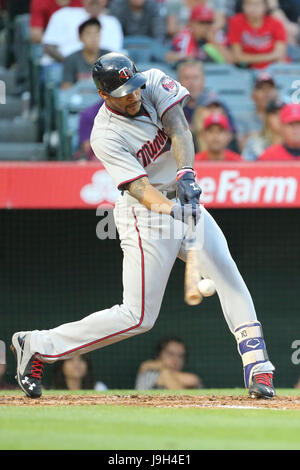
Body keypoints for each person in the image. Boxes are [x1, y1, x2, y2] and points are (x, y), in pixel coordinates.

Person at [11, 52, 275, 401]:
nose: (133, 95)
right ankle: (37, 344)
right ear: (104, 96)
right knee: (137, 317)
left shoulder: (151, 82)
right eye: (123, 93)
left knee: (227, 273)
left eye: (133, 87)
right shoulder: (104, 134)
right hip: (145, 215)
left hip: (183, 200)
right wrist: (172, 211)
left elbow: (179, 126)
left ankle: (259, 368)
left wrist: (186, 173)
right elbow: (139, 188)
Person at [42, 0, 123, 62]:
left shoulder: (113, 22)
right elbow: (49, 46)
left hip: (101, 72)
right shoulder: (63, 14)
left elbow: (113, 54)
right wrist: (70, 64)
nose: (95, 1)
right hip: (63, 68)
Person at [165, 4, 232, 66]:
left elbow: (231, 61)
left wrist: (214, 42)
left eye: (209, 22)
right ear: (191, 23)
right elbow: (168, 57)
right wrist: (187, 56)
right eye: (202, 22)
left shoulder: (217, 35)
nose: (206, 26)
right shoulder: (184, 37)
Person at [228, 0, 287, 70]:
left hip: (273, 68)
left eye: (257, 4)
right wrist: (269, 56)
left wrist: (246, 58)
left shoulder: (276, 23)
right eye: (248, 4)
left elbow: (279, 54)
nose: (252, 8)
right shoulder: (236, 22)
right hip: (246, 68)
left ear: (265, 6)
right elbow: (237, 56)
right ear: (243, 6)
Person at [135, 336, 202, 389]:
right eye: (170, 354)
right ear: (158, 355)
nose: (176, 360)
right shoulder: (149, 373)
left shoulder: (190, 376)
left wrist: (164, 370)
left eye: (180, 356)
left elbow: (193, 380)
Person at [61, 18, 110, 89]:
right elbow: (66, 88)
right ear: (80, 37)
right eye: (89, 34)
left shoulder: (109, 57)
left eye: (97, 33)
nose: (94, 38)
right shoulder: (71, 59)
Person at [237, 71, 279, 148]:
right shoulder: (243, 119)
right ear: (252, 95)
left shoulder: (283, 117)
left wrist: (255, 136)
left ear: (276, 94)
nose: (266, 92)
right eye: (261, 88)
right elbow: (241, 147)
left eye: (270, 88)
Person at [176, 58, 215, 128]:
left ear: (203, 80)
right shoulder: (170, 107)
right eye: (186, 78)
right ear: (178, 82)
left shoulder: (215, 105)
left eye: (196, 78)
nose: (192, 83)